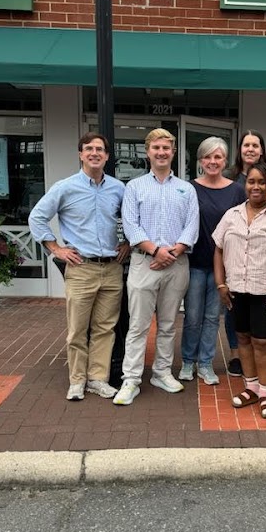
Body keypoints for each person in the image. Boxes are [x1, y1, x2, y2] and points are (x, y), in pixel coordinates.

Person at [28, 133, 127, 401]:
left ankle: (97, 379)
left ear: (107, 156)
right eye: (89, 149)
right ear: (81, 154)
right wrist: (56, 248)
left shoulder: (118, 188)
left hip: (112, 268)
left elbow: (132, 218)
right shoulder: (65, 187)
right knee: (77, 330)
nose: (95, 153)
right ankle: (77, 380)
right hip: (81, 267)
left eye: (100, 149)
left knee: (105, 328)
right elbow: (37, 217)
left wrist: (128, 242)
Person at [113, 128, 199, 406]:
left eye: (166, 148)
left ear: (173, 152)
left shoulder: (186, 189)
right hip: (144, 262)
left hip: (177, 263)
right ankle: (131, 379)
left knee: (168, 324)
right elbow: (130, 225)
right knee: (138, 325)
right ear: (147, 152)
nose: (161, 152)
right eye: (156, 148)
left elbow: (192, 225)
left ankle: (162, 373)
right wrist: (156, 251)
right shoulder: (134, 187)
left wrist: (173, 252)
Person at [213, 163, 266, 419]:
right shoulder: (231, 215)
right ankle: (250, 388)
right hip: (237, 291)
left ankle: (265, 393)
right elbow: (218, 249)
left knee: (264, 342)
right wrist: (220, 284)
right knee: (243, 338)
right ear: (245, 184)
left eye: (262, 182)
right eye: (251, 181)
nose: (256, 186)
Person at [179, 137, 246, 386]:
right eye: (207, 156)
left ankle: (205, 364)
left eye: (217, 156)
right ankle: (188, 361)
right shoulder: (189, 188)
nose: (212, 161)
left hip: (223, 267)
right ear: (200, 160)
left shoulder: (237, 191)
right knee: (192, 317)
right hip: (195, 263)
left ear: (225, 160)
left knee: (211, 318)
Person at [224, 130, 266, 377]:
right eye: (246, 145)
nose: (250, 149)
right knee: (234, 306)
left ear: (261, 150)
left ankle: (256, 354)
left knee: (258, 307)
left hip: (260, 253)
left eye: (255, 145)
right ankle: (236, 355)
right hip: (234, 251)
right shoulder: (228, 177)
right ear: (239, 150)